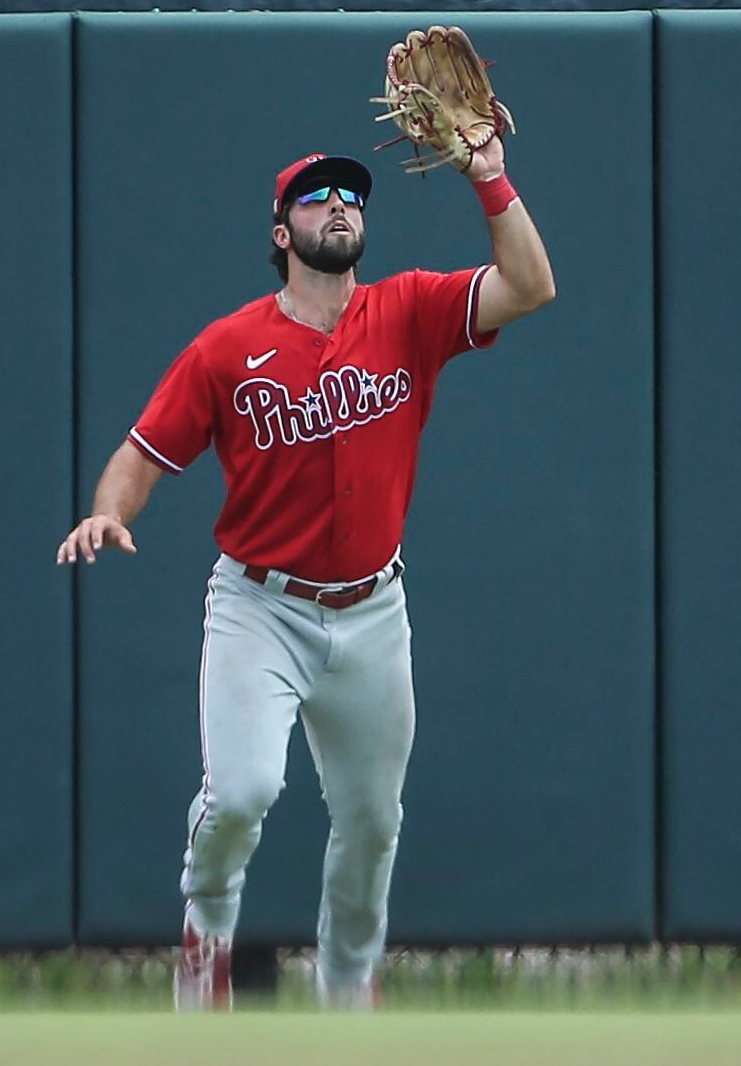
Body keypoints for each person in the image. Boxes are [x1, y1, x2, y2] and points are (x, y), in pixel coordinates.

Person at [56, 136, 555, 1010]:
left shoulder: (409, 310)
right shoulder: (227, 346)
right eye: (316, 196)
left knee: (371, 822)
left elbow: (530, 286)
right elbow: (143, 453)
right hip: (260, 606)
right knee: (244, 791)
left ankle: (348, 990)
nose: (338, 205)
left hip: (373, 609)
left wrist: (487, 175)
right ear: (281, 230)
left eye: (351, 196)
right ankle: (206, 929)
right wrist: (109, 512)